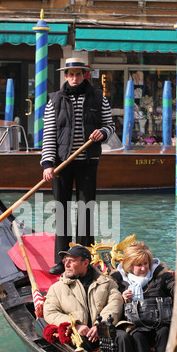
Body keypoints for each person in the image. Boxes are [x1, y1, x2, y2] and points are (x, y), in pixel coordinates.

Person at [41, 57, 115, 275]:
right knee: (61, 212)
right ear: (65, 76)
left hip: (87, 162)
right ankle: (61, 259)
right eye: (70, 74)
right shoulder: (54, 100)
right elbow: (49, 134)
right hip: (62, 164)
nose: (74, 78)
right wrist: (47, 163)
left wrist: (102, 133)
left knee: (86, 210)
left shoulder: (98, 98)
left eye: (78, 74)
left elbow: (110, 125)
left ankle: (85, 259)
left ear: (85, 75)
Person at [43, 245, 137, 352]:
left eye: (71, 261)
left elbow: (116, 303)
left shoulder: (107, 283)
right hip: (79, 333)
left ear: (86, 263)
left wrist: (101, 325)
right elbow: (50, 312)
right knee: (79, 345)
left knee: (123, 338)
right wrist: (76, 326)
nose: (66, 265)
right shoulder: (56, 288)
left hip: (104, 329)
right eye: (65, 261)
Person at [111, 241, 175, 352]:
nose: (143, 268)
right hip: (135, 325)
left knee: (165, 332)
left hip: (160, 323)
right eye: (138, 265)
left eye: (146, 263)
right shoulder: (118, 282)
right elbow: (111, 302)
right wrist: (122, 297)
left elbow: (175, 288)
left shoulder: (162, 276)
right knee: (138, 336)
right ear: (129, 266)